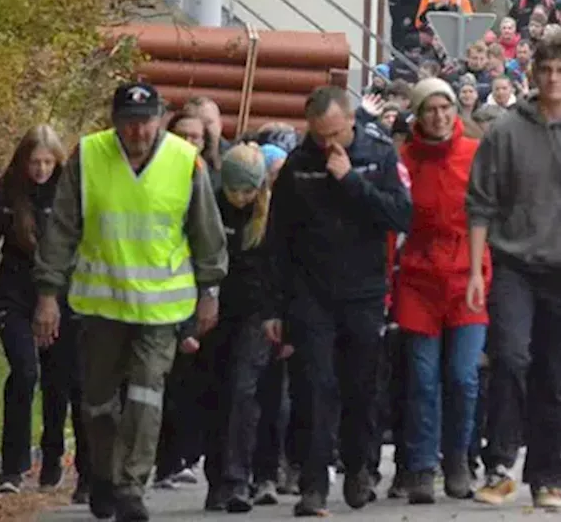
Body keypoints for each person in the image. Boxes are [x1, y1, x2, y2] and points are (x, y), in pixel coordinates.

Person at [33, 83, 228, 522]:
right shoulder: (89, 156)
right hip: (102, 305)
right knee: (98, 403)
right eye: (128, 122)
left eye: (145, 121)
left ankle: (130, 487)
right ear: (114, 121)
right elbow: (62, 229)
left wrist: (210, 292)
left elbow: (206, 233)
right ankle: (104, 474)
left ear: (160, 118)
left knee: (145, 394)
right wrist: (47, 293)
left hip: (162, 310)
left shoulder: (183, 161)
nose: (137, 131)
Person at [464, 34, 561, 510]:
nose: (553, 78)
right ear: (532, 73)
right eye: (545, 69)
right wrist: (476, 270)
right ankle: (499, 464)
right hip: (514, 263)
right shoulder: (505, 131)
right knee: (511, 359)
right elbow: (480, 206)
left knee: (556, 375)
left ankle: (548, 476)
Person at [261, 86, 413, 516]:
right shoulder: (299, 163)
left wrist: (352, 181)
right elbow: (279, 237)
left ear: (351, 121)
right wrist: (274, 305)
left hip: (362, 291)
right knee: (313, 386)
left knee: (361, 387)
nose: (327, 144)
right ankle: (313, 482)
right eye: (319, 135)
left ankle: (359, 466)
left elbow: (399, 216)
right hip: (311, 293)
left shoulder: (379, 155)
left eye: (334, 134)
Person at [395, 79, 491, 503]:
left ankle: (458, 458)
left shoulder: (474, 155)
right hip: (418, 278)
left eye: (445, 107)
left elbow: (491, 213)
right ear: (418, 114)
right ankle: (419, 466)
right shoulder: (403, 160)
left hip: (467, 276)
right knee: (421, 377)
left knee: (463, 375)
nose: (439, 116)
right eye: (429, 109)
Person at [0, 126, 91, 502]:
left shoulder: (69, 195)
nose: (40, 169)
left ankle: (53, 456)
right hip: (14, 294)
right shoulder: (7, 193)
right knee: (25, 371)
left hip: (60, 295)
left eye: (47, 162)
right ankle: (13, 465)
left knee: (60, 380)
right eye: (34, 162)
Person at [200, 144, 276, 513]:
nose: (242, 198)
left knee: (242, 390)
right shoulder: (211, 204)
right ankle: (216, 477)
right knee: (215, 390)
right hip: (215, 308)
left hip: (258, 312)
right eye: (236, 191)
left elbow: (284, 266)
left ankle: (237, 479)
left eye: (248, 191)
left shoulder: (272, 212)